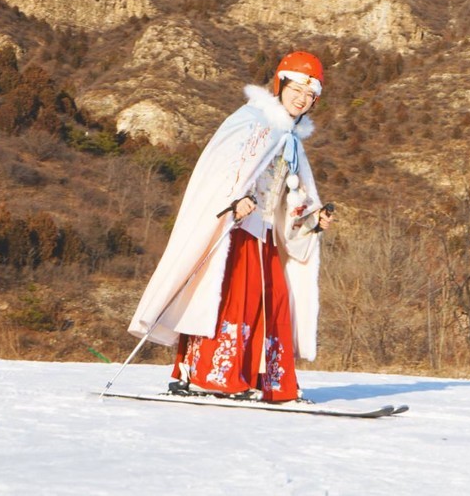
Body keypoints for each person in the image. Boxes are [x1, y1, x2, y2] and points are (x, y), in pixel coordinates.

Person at [127, 50, 333, 403]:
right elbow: (225, 169)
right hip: (236, 232)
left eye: (310, 95)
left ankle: (262, 379)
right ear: (280, 85)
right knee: (231, 298)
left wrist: (311, 219)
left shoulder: (292, 141)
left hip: (265, 233)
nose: (302, 99)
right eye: (297, 89)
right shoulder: (252, 121)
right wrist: (235, 198)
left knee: (275, 302)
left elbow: (290, 196)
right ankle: (210, 375)